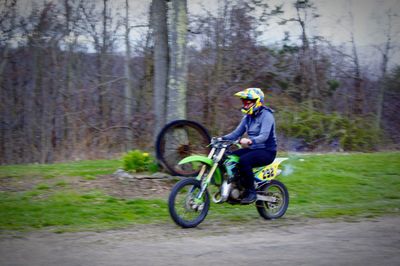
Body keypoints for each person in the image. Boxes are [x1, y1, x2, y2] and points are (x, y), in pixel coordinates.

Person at [222, 88, 277, 204]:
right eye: (244, 102)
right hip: (253, 149)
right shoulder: (247, 117)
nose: (246, 104)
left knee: (244, 161)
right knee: (228, 158)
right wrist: (221, 139)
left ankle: (251, 192)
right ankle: (237, 187)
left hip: (267, 151)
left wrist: (250, 141)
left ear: (258, 101)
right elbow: (236, 133)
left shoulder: (267, 115)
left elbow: (264, 136)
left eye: (249, 102)